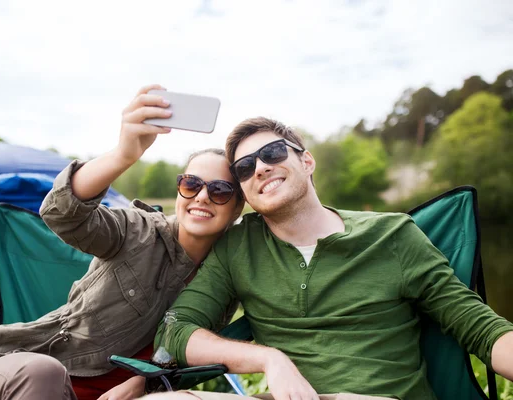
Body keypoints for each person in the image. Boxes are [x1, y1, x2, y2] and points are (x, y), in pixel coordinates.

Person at [142, 117, 513, 400]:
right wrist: (269, 359)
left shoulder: (393, 235)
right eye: (244, 168)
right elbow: (174, 330)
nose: (259, 168)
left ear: (307, 162)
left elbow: (481, 329)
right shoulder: (239, 246)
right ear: (244, 192)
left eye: (271, 153)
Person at [0, 84, 244, 400]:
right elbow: (62, 214)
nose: (202, 197)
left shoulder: (225, 274)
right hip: (26, 377)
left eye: (220, 190)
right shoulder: (138, 230)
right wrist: (125, 153)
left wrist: (142, 383)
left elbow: (176, 355)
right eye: (191, 185)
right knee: (45, 374)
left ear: (237, 207)